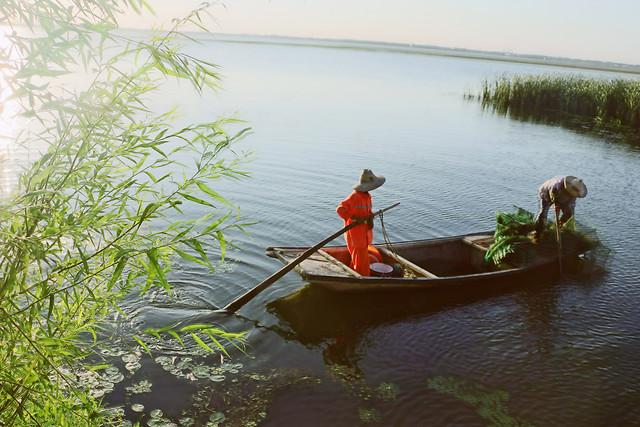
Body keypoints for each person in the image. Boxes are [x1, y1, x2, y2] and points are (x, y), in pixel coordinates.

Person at [336, 169, 385, 276]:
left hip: (364, 234)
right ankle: (363, 278)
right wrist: (355, 217)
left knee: (358, 259)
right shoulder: (355, 196)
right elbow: (340, 209)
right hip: (356, 235)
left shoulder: (367, 196)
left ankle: (353, 275)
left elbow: (368, 211)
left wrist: (371, 219)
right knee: (362, 262)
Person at [533, 175, 587, 242]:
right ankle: (537, 233)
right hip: (546, 193)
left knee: (569, 215)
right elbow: (552, 194)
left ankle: (560, 232)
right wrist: (557, 204)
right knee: (544, 212)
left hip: (562, 199)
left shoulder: (573, 196)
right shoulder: (557, 185)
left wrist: (563, 219)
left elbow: (570, 209)